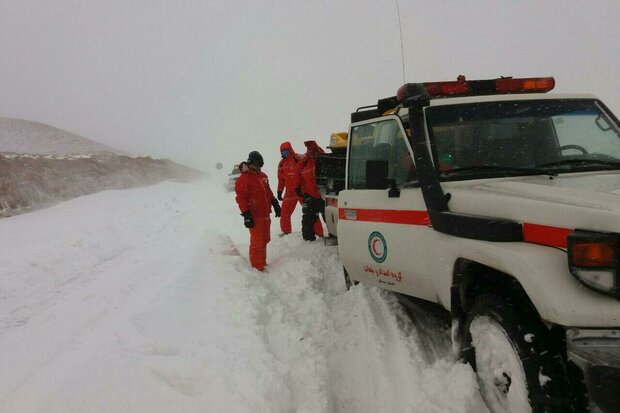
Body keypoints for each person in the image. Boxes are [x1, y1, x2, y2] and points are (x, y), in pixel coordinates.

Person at [234, 151, 281, 271]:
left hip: (266, 214)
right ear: (252, 162)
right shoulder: (243, 179)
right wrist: (246, 214)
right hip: (255, 216)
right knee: (257, 243)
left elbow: (268, 192)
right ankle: (257, 268)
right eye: (258, 164)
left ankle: (262, 263)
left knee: (265, 240)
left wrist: (275, 203)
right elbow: (241, 198)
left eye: (261, 165)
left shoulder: (263, 176)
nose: (260, 167)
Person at [294, 140, 325, 241]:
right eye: (310, 152)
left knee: (329, 218)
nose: (312, 154)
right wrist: (297, 187)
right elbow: (298, 174)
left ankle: (336, 237)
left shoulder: (324, 158)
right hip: (310, 194)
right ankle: (308, 240)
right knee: (307, 219)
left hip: (324, 195)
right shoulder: (304, 161)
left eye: (314, 152)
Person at [276, 141, 302, 235]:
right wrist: (279, 190)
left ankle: (318, 232)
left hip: (301, 190)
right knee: (284, 213)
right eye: (282, 151)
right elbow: (281, 179)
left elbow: (305, 173)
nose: (284, 153)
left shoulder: (297, 159)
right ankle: (286, 233)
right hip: (290, 192)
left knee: (310, 212)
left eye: (285, 151)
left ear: (290, 150)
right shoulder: (282, 163)